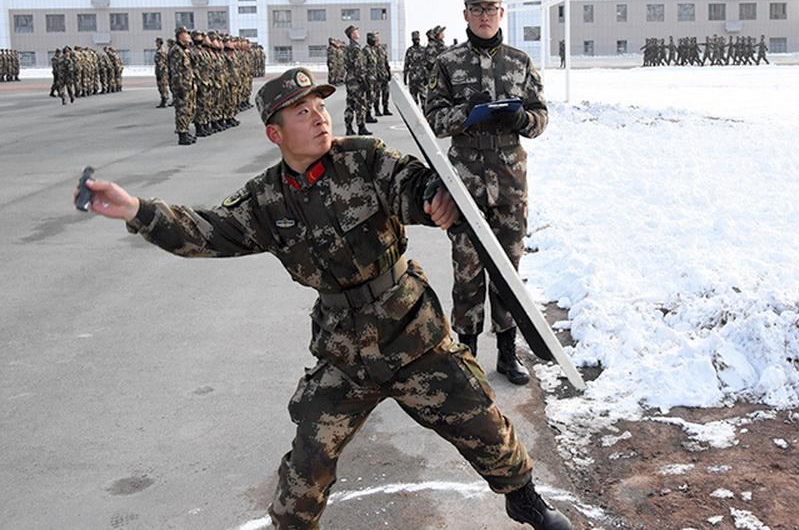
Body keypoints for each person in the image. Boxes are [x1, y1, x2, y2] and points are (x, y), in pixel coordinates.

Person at [76, 67, 572, 530]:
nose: (319, 117)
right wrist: (136, 210)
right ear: (276, 133)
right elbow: (206, 230)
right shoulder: (265, 200)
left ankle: (524, 498)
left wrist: (431, 198)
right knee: (307, 462)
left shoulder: (363, 157)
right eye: (302, 112)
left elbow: (409, 182)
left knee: (483, 423)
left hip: (411, 333)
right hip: (344, 351)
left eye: (320, 105)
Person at [424, 0, 548, 386]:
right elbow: (434, 121)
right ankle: (468, 355)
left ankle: (508, 353)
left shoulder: (519, 62)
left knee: (508, 270)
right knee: (467, 271)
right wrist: (466, 113)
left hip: (510, 181)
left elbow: (540, 117)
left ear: (500, 13)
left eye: (490, 9)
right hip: (466, 183)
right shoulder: (447, 63)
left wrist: (521, 120)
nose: (483, 16)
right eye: (476, 10)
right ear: (465, 15)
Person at [169, 26, 197, 145]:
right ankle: (182, 134)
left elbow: (192, 65)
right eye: (185, 34)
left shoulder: (184, 50)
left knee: (188, 110)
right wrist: (179, 87)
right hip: (181, 86)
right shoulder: (176, 50)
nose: (188, 36)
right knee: (181, 110)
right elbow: (176, 71)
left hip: (187, 84)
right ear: (180, 35)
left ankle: (186, 131)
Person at [343, 25, 372, 136]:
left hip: (350, 79)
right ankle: (361, 127)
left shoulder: (347, 48)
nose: (358, 33)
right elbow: (359, 66)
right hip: (356, 79)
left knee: (350, 104)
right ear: (352, 34)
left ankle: (349, 127)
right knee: (360, 104)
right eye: (356, 31)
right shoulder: (356, 48)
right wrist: (363, 80)